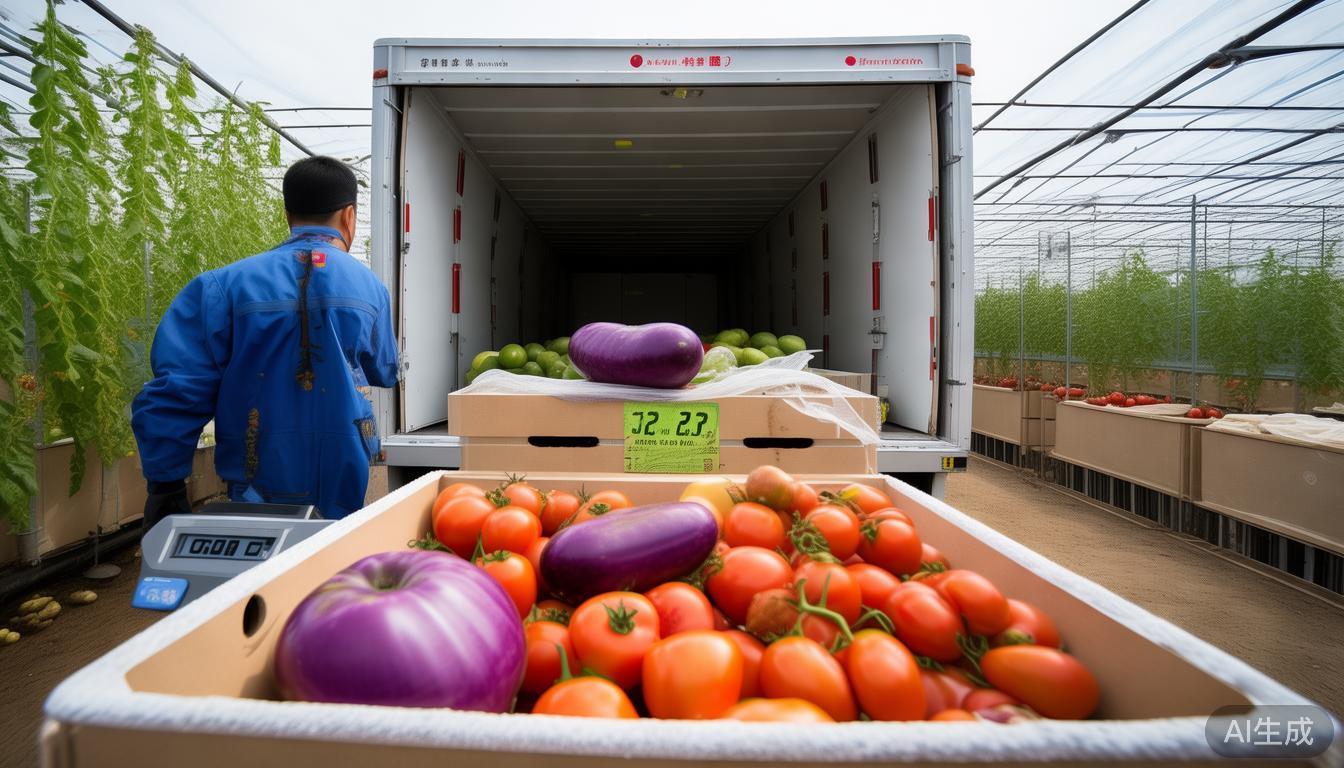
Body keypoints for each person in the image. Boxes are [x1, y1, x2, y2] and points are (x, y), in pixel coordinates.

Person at [132, 156, 399, 530]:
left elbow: (176, 391)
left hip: (255, 468)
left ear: (289, 214)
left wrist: (165, 484)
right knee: (333, 567)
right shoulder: (370, 288)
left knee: (263, 566)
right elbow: (384, 370)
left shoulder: (222, 286)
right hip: (344, 467)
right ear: (349, 216)